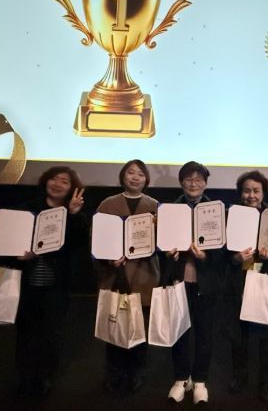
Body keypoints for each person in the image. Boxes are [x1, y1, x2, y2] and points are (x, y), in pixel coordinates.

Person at [8, 166, 88, 399]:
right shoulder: (27, 210)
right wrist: (18, 255)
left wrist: (73, 214)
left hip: (56, 285)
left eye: (64, 181)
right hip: (27, 284)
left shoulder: (72, 213)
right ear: (45, 181)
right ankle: (25, 378)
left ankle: (44, 377)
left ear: (71, 188)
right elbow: (10, 241)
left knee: (51, 334)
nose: (57, 184)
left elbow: (79, 243)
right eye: (54, 179)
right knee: (26, 334)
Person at [94, 159, 160, 394]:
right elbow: (96, 239)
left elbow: (163, 241)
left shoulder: (154, 206)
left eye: (140, 174)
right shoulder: (107, 204)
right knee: (113, 330)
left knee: (138, 331)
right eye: (130, 172)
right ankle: (114, 374)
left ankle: (136, 373)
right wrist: (108, 258)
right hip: (115, 276)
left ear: (146, 179)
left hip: (144, 276)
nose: (135, 177)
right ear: (123, 176)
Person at [162, 161, 224, 405]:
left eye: (198, 179)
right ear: (181, 182)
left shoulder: (216, 210)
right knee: (179, 332)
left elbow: (223, 251)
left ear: (205, 183)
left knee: (204, 334)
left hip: (205, 282)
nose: (193, 183)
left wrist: (205, 256)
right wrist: (168, 253)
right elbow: (159, 246)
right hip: (178, 279)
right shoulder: (169, 210)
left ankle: (199, 380)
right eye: (188, 179)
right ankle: (180, 379)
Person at [224, 170, 268, 402]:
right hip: (238, 281)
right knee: (239, 335)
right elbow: (221, 253)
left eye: (256, 191)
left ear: (263, 193)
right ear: (240, 193)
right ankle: (240, 374)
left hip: (266, 280)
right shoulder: (231, 215)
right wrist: (235, 258)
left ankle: (267, 381)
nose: (251, 195)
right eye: (247, 191)